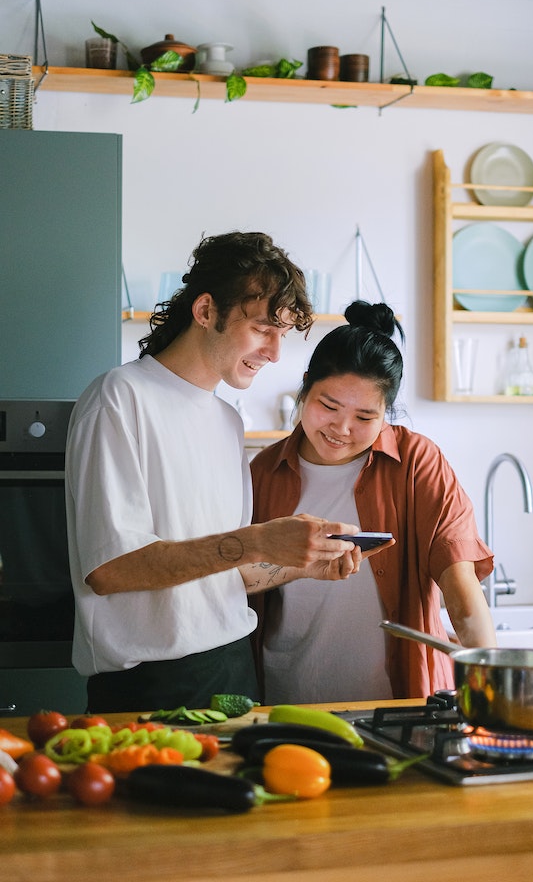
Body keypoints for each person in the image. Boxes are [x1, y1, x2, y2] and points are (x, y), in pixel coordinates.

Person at [65, 231, 362, 713]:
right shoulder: (119, 398)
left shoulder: (227, 420)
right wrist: (261, 540)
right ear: (205, 311)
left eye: (282, 335)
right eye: (264, 329)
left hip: (232, 669)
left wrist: (302, 564)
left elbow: (225, 572)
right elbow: (110, 569)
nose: (275, 353)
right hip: (149, 686)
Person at [248, 300, 496, 703]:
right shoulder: (263, 472)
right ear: (305, 385)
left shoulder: (417, 462)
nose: (341, 429)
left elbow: (458, 578)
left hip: (398, 702)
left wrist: (492, 671)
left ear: (387, 413)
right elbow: (238, 579)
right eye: (328, 406)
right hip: (285, 695)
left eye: (365, 417)